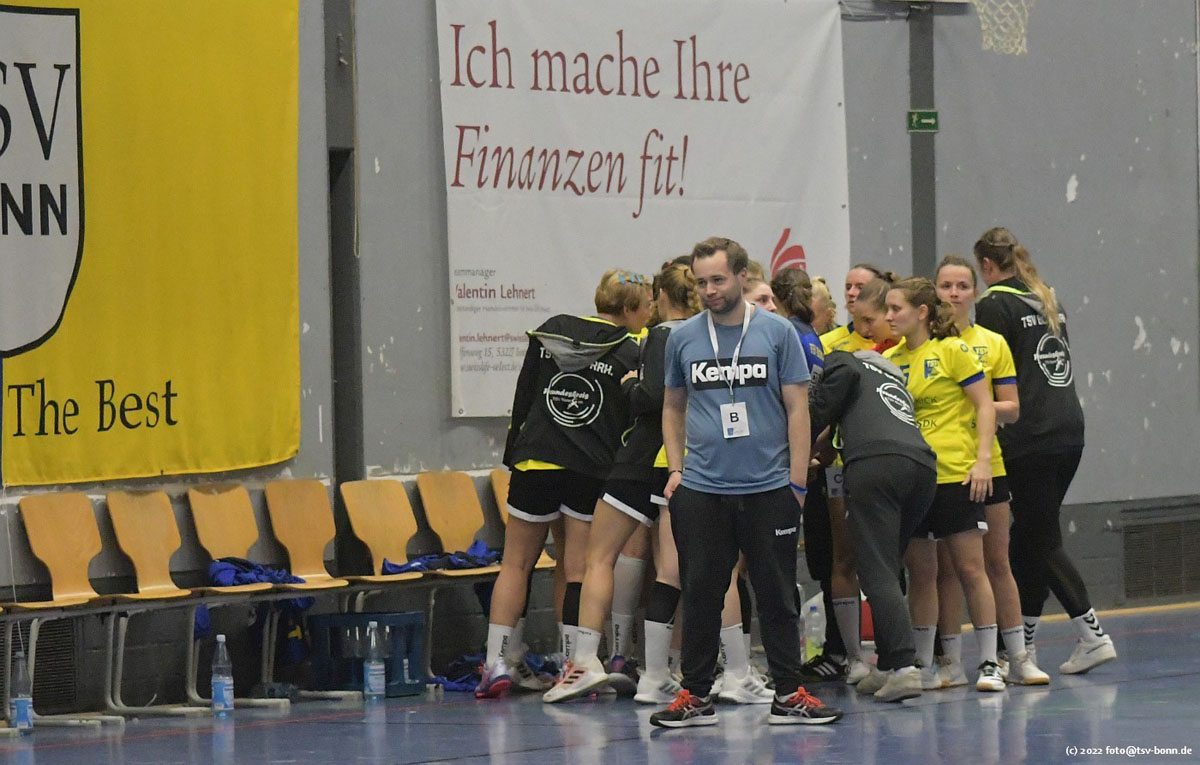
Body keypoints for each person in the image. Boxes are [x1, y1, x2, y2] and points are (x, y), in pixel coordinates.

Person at [650, 236, 841, 728]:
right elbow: (672, 406)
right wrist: (676, 470)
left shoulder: (777, 333)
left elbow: (798, 408)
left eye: (718, 280)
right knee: (701, 592)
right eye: (701, 283)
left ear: (741, 276)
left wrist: (796, 482)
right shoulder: (683, 338)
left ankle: (789, 692)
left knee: (777, 593)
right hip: (703, 489)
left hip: (769, 487)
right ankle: (695, 694)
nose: (709, 290)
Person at [477, 269, 651, 698]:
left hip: (535, 459)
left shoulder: (550, 333)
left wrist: (515, 456)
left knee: (515, 563)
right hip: (588, 467)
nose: (649, 315)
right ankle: (574, 665)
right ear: (629, 308)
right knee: (578, 567)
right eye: (646, 307)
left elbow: (524, 397)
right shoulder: (630, 352)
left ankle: (495, 663)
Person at [973, 227, 1116, 674]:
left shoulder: (994, 305)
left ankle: (1093, 634)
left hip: (1029, 436)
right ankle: (1024, 645)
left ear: (987, 266)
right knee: (1030, 540)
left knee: (1040, 539)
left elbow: (991, 371)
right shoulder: (1046, 297)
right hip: (1067, 431)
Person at [931, 255, 1051, 687]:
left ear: (975, 292)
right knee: (947, 570)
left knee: (997, 561)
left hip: (988, 464)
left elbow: (1012, 408)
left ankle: (1018, 657)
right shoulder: (927, 346)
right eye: (946, 286)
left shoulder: (992, 343)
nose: (954, 293)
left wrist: (974, 402)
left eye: (962, 286)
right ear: (934, 292)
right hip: (943, 471)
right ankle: (949, 662)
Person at [884, 277, 1005, 693]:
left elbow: (985, 405)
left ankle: (989, 662)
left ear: (921, 312)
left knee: (971, 568)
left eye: (896, 309)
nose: (888, 317)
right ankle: (926, 662)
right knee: (922, 574)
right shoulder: (891, 360)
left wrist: (982, 460)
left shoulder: (952, 351)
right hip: (914, 481)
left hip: (955, 474)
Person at [808, 346, 937, 702]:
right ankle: (888, 662)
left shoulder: (844, 361)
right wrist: (822, 446)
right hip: (922, 467)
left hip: (876, 464)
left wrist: (807, 424)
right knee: (888, 565)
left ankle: (904, 667)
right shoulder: (889, 380)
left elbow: (841, 379)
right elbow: (843, 429)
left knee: (874, 569)